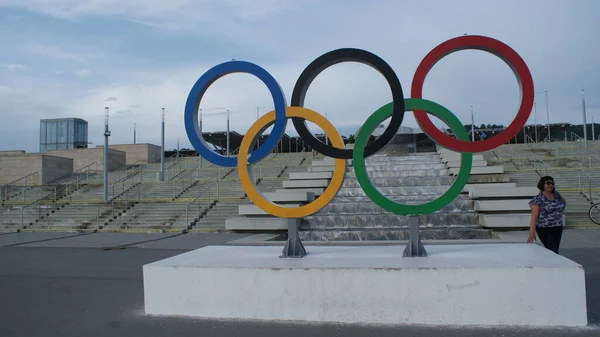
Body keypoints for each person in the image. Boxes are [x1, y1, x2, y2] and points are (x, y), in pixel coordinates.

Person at [527, 176, 567, 253]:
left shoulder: (557, 195)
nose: (550, 185)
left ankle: (550, 264)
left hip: (558, 227)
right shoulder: (537, 199)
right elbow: (534, 217)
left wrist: (558, 212)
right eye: (548, 183)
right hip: (545, 229)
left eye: (552, 183)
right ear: (542, 184)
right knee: (553, 251)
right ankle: (556, 264)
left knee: (554, 250)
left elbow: (563, 203)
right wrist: (532, 233)